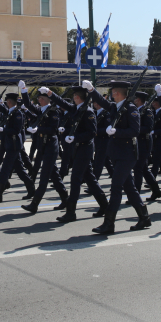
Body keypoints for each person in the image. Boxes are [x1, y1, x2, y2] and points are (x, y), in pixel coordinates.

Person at [84, 79, 152, 234]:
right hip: (117, 153)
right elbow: (102, 101)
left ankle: (109, 223)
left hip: (127, 154)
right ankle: (144, 217)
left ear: (117, 93)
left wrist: (117, 132)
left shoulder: (131, 108)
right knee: (130, 188)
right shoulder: (116, 107)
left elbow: (135, 130)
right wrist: (91, 90)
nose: (111, 94)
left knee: (116, 188)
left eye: (113, 92)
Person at [47, 85, 109, 222]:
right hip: (78, 149)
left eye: (74, 95)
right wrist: (51, 94)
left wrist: (76, 138)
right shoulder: (76, 109)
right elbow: (63, 103)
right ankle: (105, 205)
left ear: (77, 97)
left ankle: (71, 212)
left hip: (85, 148)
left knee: (75, 180)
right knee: (91, 180)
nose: (72, 98)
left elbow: (92, 132)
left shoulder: (88, 112)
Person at [19, 81, 68, 214]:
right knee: (54, 175)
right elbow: (28, 105)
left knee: (44, 177)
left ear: (45, 100)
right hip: (43, 146)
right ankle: (65, 199)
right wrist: (24, 90)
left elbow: (53, 129)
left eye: (40, 99)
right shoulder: (41, 110)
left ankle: (34, 204)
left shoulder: (54, 112)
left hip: (51, 146)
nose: (38, 101)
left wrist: (38, 128)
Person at [0, 91, 35, 203]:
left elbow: (16, 130)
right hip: (10, 144)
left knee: (5, 170)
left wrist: (4, 130)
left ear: (9, 101)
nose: (6, 103)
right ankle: (31, 189)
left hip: (14, 145)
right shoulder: (9, 111)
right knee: (20, 170)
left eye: (7, 101)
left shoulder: (18, 114)